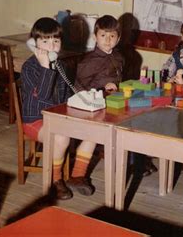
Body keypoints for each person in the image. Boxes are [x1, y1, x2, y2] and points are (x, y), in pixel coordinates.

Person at [21, 18, 96, 200]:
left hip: (58, 118)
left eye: (55, 41)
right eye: (44, 41)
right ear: (34, 43)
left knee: (95, 129)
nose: (51, 46)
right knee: (61, 136)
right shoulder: (29, 68)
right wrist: (46, 67)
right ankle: (55, 181)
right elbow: (44, 96)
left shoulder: (60, 65)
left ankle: (78, 175)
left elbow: (66, 95)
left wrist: (85, 100)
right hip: (35, 120)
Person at [75, 15, 123, 92]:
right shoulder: (89, 61)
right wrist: (103, 87)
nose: (108, 40)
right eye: (103, 35)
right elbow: (78, 86)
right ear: (95, 37)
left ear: (118, 39)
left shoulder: (118, 57)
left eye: (112, 36)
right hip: (95, 99)